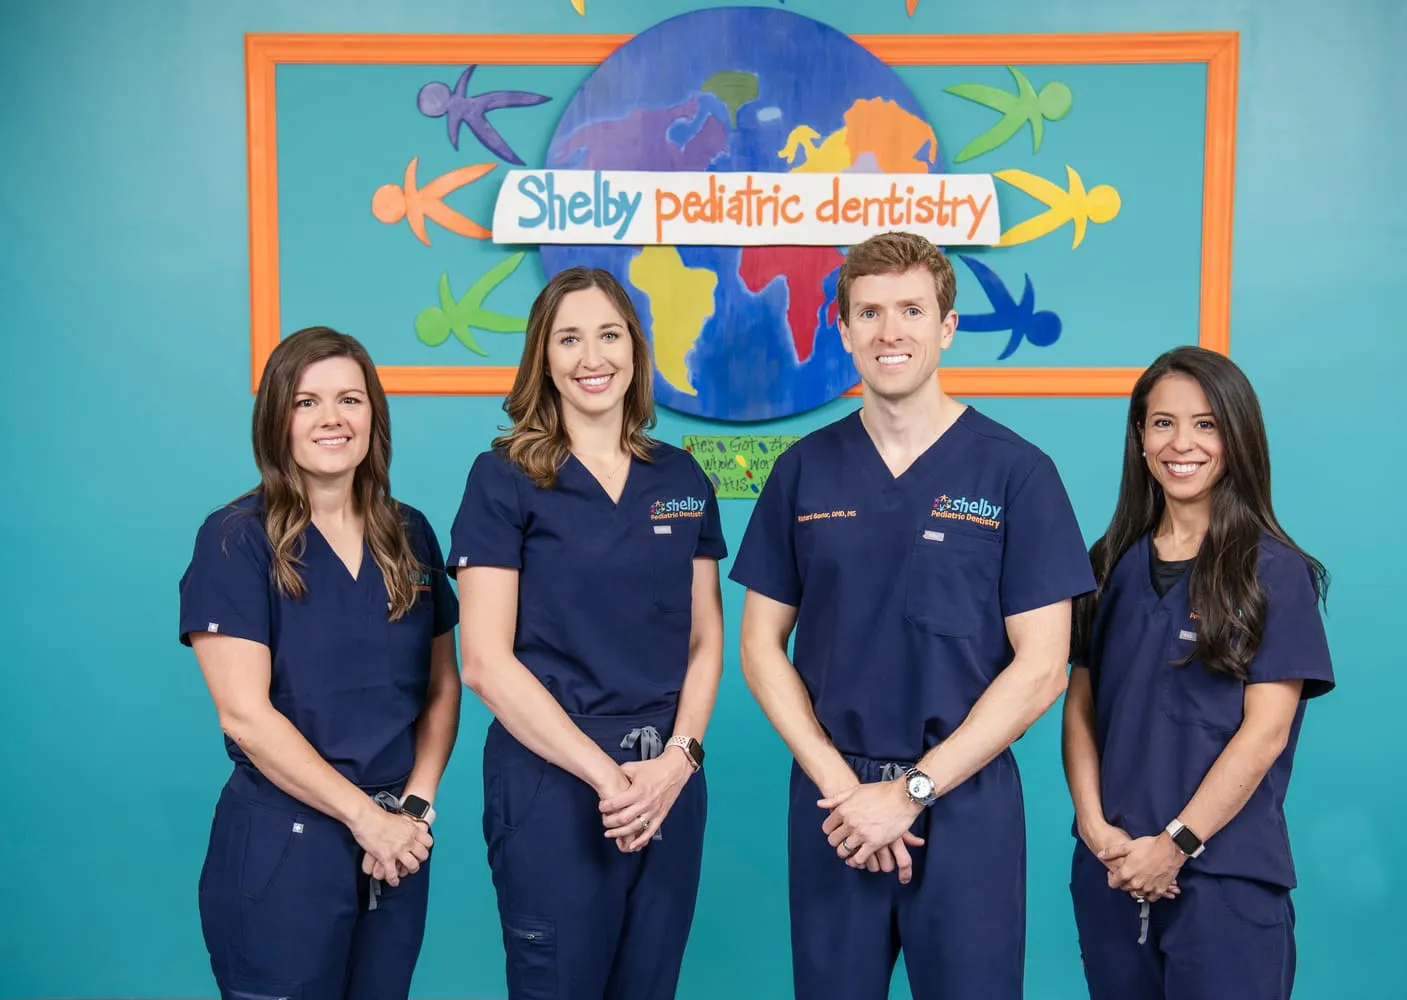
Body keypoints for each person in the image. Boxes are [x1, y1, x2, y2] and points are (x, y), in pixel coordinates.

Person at [729, 231, 1097, 1000]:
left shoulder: (1016, 472)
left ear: (948, 326)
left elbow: (1041, 669)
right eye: (869, 312)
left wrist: (908, 794)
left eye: (911, 310)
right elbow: (760, 645)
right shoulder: (803, 470)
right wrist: (845, 790)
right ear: (843, 329)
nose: (889, 332)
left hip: (964, 803)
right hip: (835, 807)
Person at [448, 266, 726, 1000]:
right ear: (543, 357)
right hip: (553, 781)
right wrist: (607, 778)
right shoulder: (502, 479)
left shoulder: (682, 479)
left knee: (650, 986)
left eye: (608, 335)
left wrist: (679, 761)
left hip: (667, 780)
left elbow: (705, 641)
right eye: (568, 339)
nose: (591, 357)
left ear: (636, 351)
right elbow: (483, 662)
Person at [179, 326, 461, 1000]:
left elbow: (444, 684)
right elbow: (245, 715)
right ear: (277, 419)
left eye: (350, 400)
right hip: (288, 847)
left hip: (395, 849)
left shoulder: (409, 532)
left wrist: (414, 809)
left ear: (374, 415)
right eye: (307, 402)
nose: (332, 419)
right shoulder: (235, 539)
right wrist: (367, 821)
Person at [1062, 346, 1336, 1000]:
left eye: (1206, 424)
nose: (1182, 443)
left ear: (1237, 436)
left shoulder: (1274, 573)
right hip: (1113, 872)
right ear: (1140, 438)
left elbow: (1265, 733)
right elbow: (1080, 708)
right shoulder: (1108, 565)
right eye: (1163, 423)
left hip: (1225, 882)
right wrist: (1096, 830)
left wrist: (1177, 843)